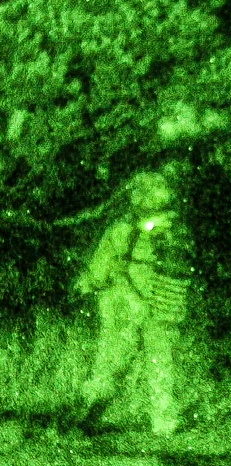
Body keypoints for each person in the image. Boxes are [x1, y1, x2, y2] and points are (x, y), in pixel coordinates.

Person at [76, 170, 193, 437]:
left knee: (111, 361)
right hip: (164, 301)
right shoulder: (174, 228)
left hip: (125, 303)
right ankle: (164, 424)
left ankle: (89, 415)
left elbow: (98, 272)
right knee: (161, 364)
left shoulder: (120, 231)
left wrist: (88, 284)